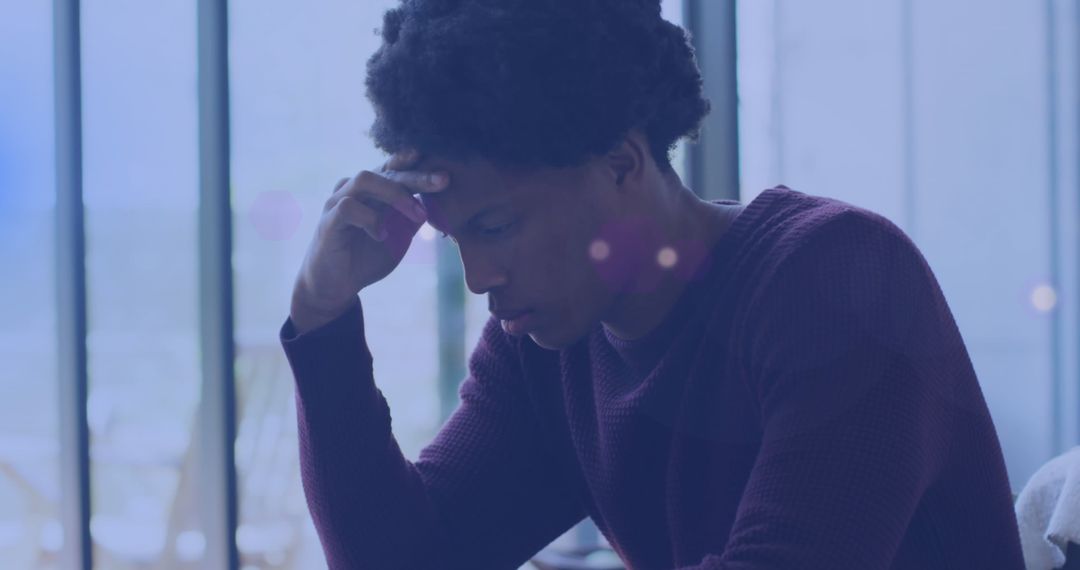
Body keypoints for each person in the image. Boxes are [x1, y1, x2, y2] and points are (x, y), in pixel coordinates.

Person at [281, 0, 1025, 568]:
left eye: (497, 226)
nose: (480, 279)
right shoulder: (545, 344)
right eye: (456, 240)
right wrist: (322, 318)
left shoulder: (840, 277)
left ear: (621, 163)